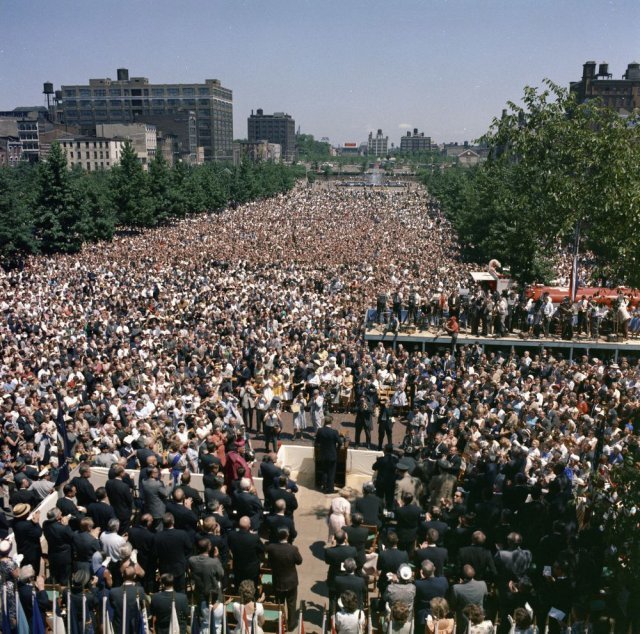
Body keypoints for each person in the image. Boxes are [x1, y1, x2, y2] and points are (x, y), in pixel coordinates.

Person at [265, 527, 303, 631]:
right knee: (291, 604)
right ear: (287, 536)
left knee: (279, 604)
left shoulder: (271, 548)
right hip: (291, 582)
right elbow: (299, 561)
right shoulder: (293, 549)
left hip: (278, 581)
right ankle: (291, 625)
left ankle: (280, 623)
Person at [189, 538, 225, 633]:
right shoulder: (214, 562)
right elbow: (221, 574)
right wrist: (217, 557)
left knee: (204, 623)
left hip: (200, 595)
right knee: (215, 624)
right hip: (213, 596)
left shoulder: (192, 560)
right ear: (209, 548)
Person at [153, 512, 193, 593]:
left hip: (165, 568)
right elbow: (189, 550)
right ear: (173, 522)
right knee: (180, 590)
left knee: (167, 590)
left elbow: (154, 554)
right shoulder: (182, 534)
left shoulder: (157, 537)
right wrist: (185, 561)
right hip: (180, 567)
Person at [227, 516, 265, 589]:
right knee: (252, 588)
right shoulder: (254, 538)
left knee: (239, 587)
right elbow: (262, 549)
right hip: (252, 570)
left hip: (238, 568)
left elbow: (229, 546)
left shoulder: (232, 535)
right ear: (249, 526)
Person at [315, 415, 341, 494]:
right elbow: (340, 442)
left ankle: (324, 487)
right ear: (331, 422)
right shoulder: (334, 432)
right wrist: (337, 450)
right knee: (331, 473)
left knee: (324, 471)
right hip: (332, 455)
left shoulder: (320, 431)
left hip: (323, 455)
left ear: (325, 422)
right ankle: (330, 489)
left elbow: (316, 443)